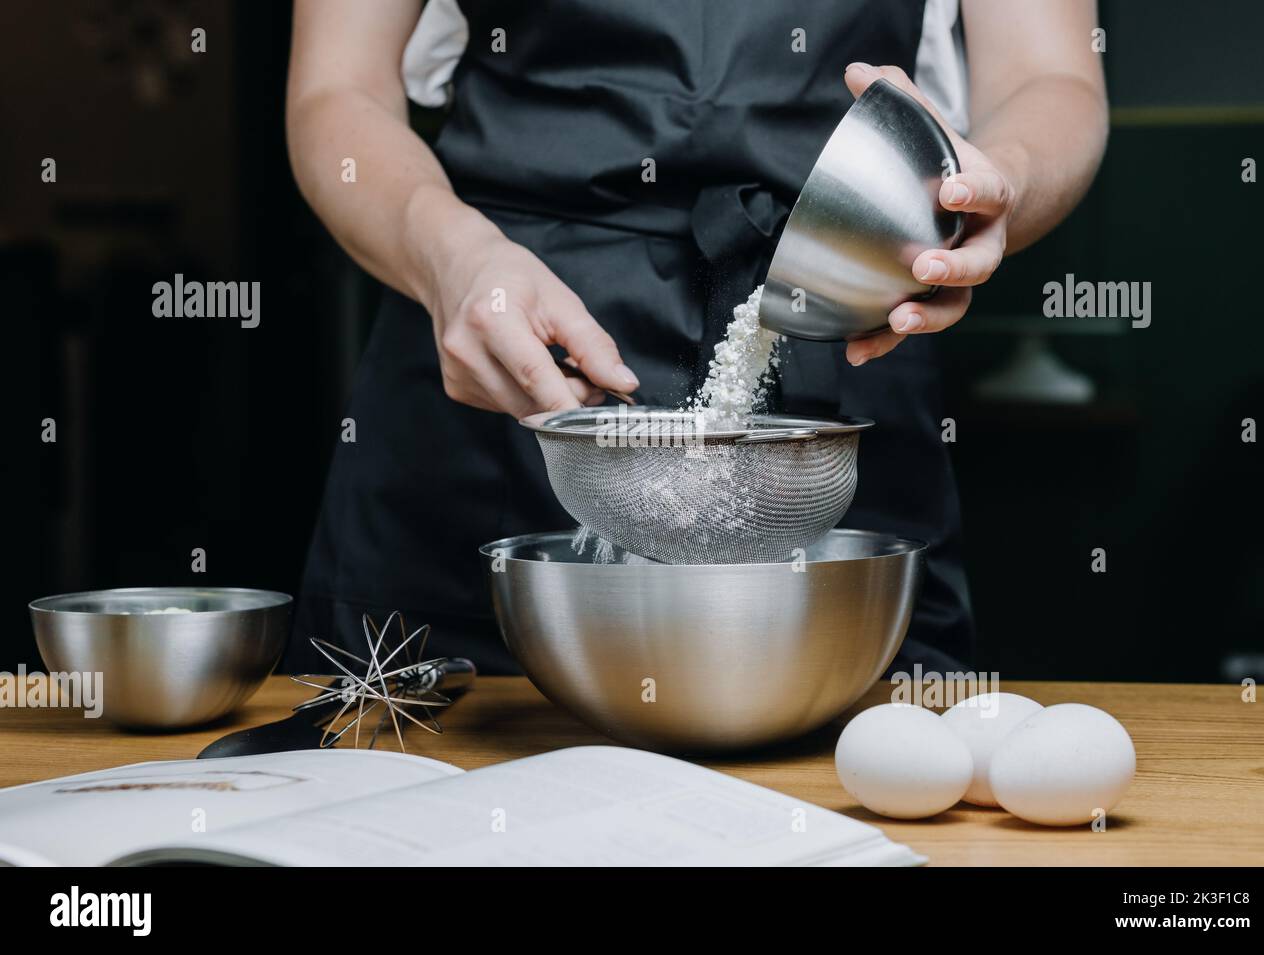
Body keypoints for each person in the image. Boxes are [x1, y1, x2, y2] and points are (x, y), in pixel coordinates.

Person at [284, 0, 1107, 673]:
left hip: (838, 330)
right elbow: (336, 88)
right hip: (505, 352)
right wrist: (450, 260)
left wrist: (996, 186)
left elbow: (1052, 77)